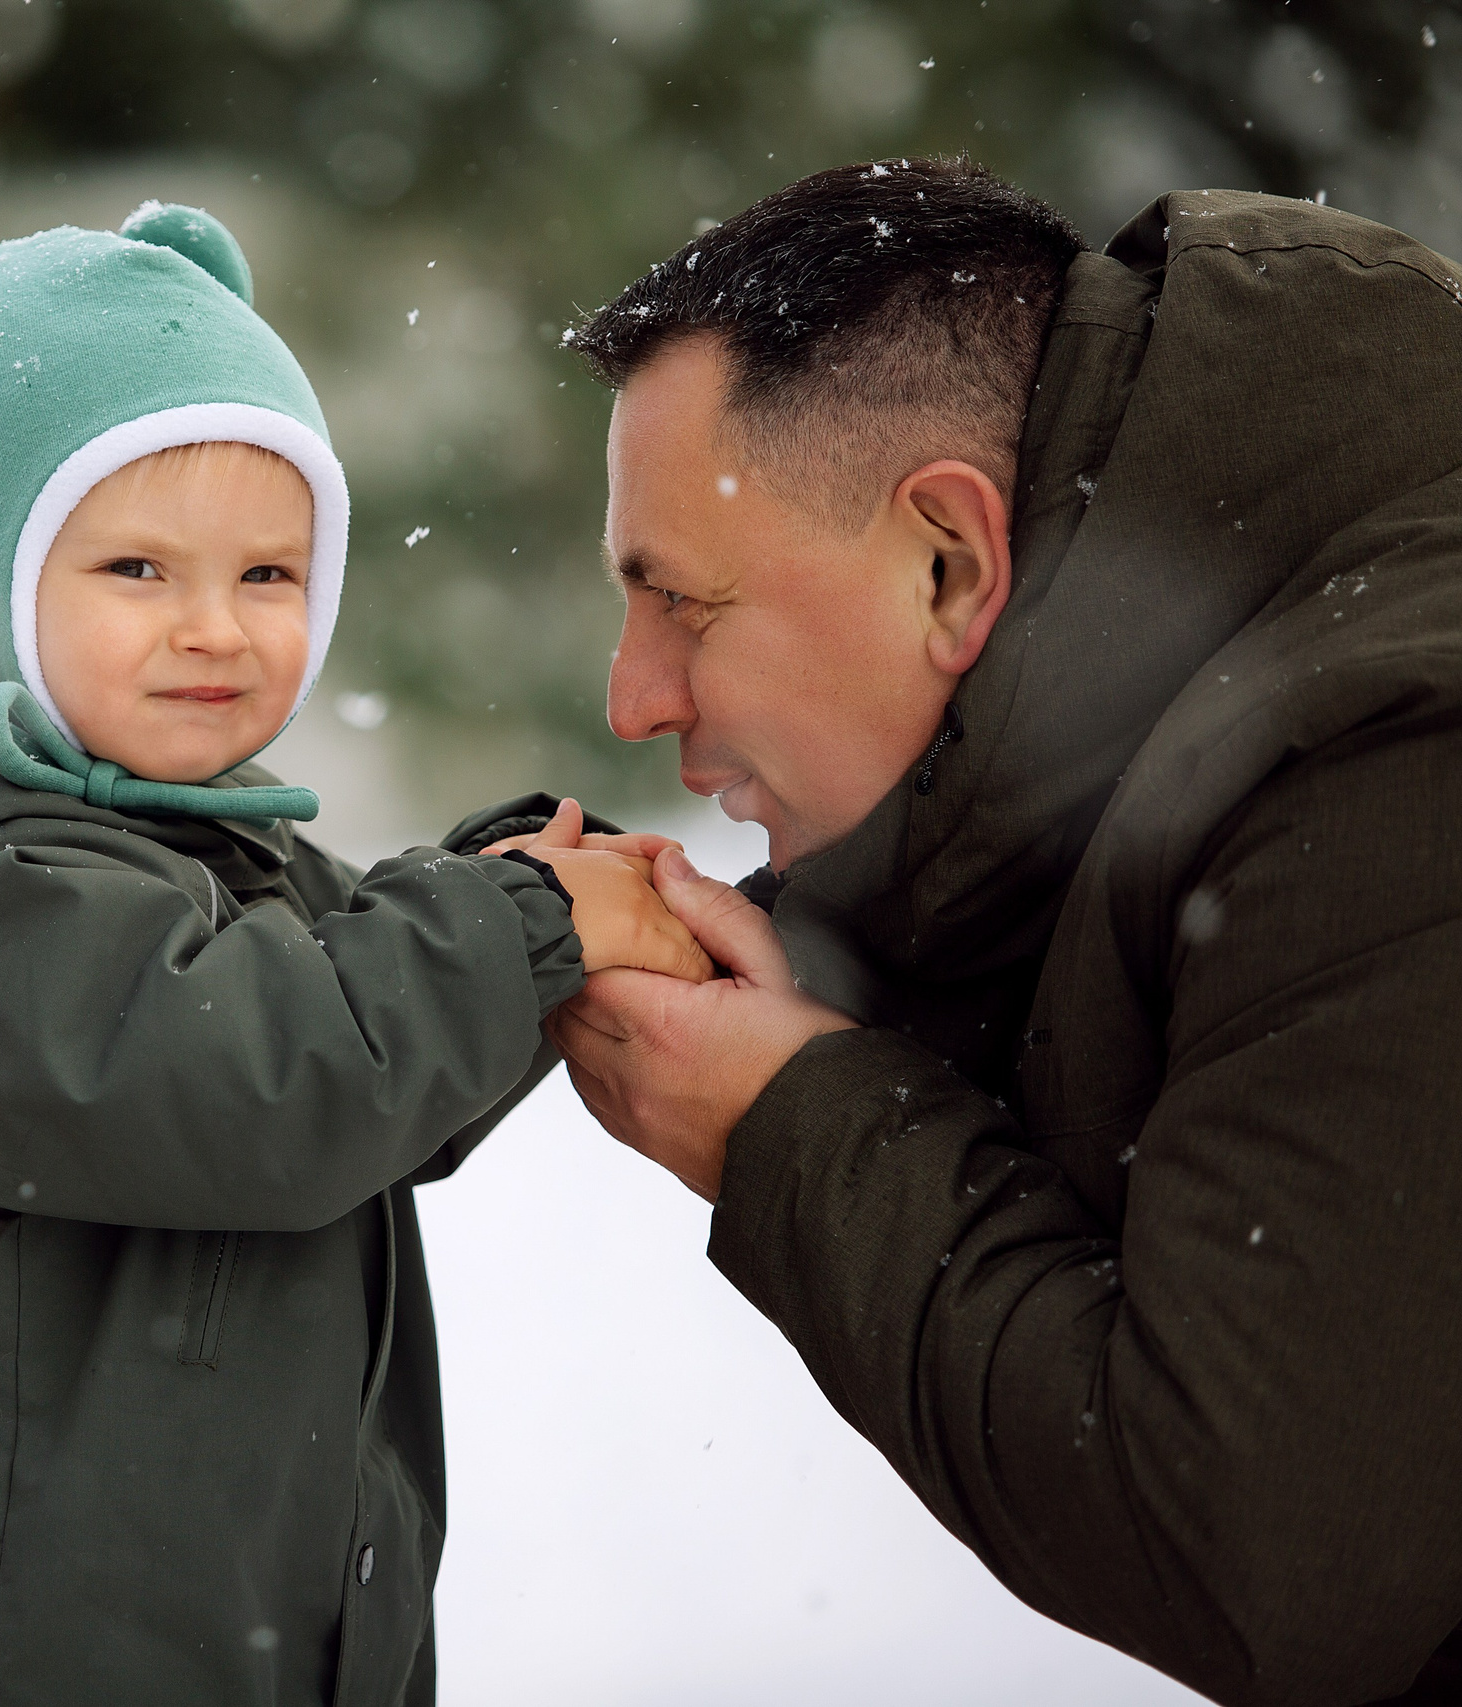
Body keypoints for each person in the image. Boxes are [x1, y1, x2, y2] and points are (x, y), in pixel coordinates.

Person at [0, 189, 703, 1706]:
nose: (218, 629)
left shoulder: (202, 846)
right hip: (18, 1652)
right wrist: (521, 929)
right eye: (137, 571)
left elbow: (374, 1061)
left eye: (269, 575)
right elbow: (269, 1085)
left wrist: (526, 899)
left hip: (226, 1634)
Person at [549, 157, 1462, 1706]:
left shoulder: (1397, 757)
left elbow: (1266, 1554)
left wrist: (791, 1123)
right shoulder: (1239, 670)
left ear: (950, 563)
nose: (633, 697)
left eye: (683, 602)